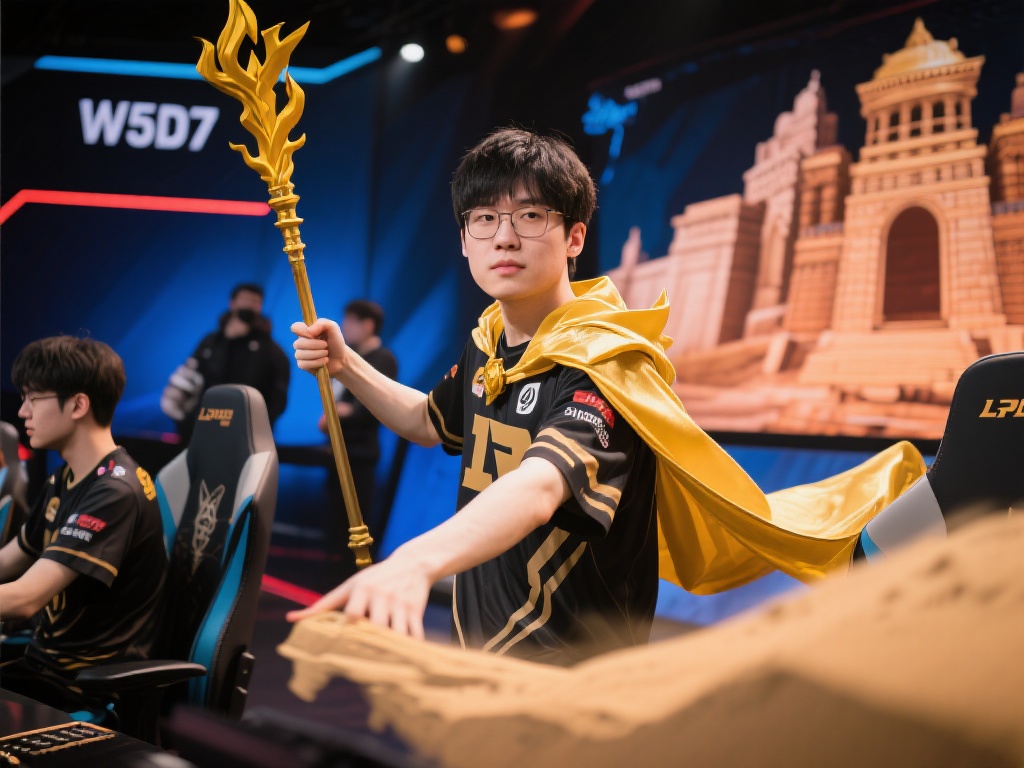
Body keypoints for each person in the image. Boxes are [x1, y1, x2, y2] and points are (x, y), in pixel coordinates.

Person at [288, 127, 925, 665]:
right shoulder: (488, 343)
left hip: (569, 665)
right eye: (484, 219)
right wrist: (346, 365)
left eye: (530, 216)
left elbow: (540, 488)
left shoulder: (603, 363)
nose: (503, 237)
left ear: (574, 238)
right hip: (482, 648)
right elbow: (428, 423)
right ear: (464, 239)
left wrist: (416, 560)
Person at [0, 336, 168, 713]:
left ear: (78, 405)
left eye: (33, 398)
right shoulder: (65, 478)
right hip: (42, 670)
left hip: (83, 690)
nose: (22, 411)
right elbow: (9, 559)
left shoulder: (114, 491)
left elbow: (25, 599)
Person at [319, 299, 398, 586]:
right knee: (335, 519)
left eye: (350, 321)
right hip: (338, 450)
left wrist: (342, 412)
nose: (345, 327)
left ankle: (355, 581)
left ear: (368, 324)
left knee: (357, 521)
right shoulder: (348, 357)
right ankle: (333, 579)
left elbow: (373, 407)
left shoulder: (383, 359)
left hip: (360, 454)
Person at [162, 282, 290, 442]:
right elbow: (186, 379)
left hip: (245, 437)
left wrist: (256, 429)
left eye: (255, 301)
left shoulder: (273, 352)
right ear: (232, 303)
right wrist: (186, 422)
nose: (249, 305)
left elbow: (278, 398)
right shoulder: (210, 342)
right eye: (245, 299)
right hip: (201, 430)